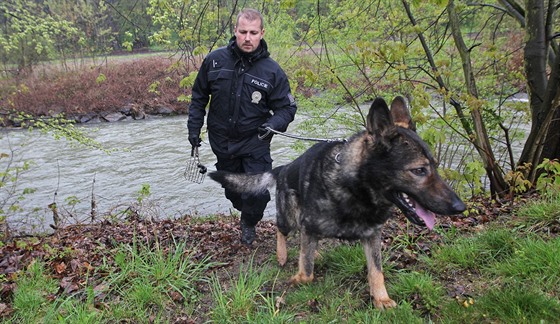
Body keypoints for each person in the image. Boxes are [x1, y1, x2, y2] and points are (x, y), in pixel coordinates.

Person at [187, 8, 297, 246]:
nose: (248, 38)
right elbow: (198, 98)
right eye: (243, 32)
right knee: (234, 192)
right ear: (234, 31)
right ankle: (244, 211)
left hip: (255, 142)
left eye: (253, 32)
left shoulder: (273, 71)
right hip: (222, 142)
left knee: (257, 195)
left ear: (262, 33)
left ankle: (249, 222)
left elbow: (287, 109)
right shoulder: (214, 61)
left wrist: (273, 124)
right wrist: (193, 131)